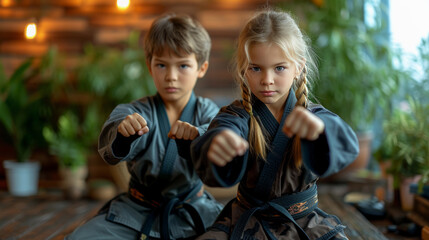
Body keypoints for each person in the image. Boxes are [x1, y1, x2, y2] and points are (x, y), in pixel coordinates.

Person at [191, 8, 359, 240]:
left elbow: (345, 141)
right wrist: (219, 142)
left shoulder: (313, 116)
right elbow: (223, 129)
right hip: (246, 220)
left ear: (298, 67)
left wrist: (320, 131)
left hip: (305, 223)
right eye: (256, 68)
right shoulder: (237, 116)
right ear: (243, 69)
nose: (267, 80)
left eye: (279, 68)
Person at [66, 13, 223, 240]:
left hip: (192, 209)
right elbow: (112, 144)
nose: (171, 76)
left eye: (183, 66)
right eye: (161, 64)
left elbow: (218, 132)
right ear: (149, 66)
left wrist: (198, 136)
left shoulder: (208, 112)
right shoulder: (134, 112)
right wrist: (124, 135)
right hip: (138, 210)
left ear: (202, 67)